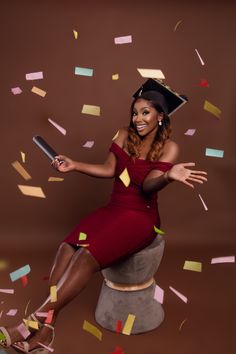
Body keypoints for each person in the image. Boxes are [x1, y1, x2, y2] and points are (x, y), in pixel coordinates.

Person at [0, 79, 207, 353]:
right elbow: (110, 169)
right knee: (66, 248)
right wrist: (74, 165)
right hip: (114, 208)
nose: (138, 118)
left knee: (85, 257)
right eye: (135, 112)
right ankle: (47, 328)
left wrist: (168, 176)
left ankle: (28, 325)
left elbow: (147, 185)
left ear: (161, 116)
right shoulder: (122, 133)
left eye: (146, 112)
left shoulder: (170, 147)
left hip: (140, 218)